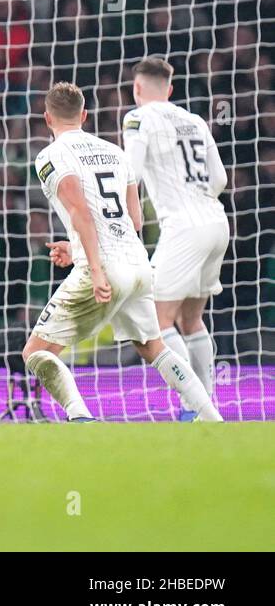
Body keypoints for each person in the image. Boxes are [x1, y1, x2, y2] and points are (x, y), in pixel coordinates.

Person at [22, 83, 221, 422]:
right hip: (138, 264)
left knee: (35, 352)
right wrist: (77, 246)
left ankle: (80, 418)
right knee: (152, 346)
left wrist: (95, 268)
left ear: (46, 117)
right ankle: (210, 415)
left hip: (103, 268)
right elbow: (135, 219)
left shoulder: (51, 156)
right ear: (84, 115)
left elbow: (81, 212)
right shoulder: (115, 152)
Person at [121, 56, 229, 419]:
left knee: (156, 319)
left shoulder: (137, 118)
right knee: (191, 320)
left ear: (137, 88)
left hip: (183, 227)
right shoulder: (195, 120)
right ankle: (203, 405)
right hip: (216, 223)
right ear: (170, 89)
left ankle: (193, 405)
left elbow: (130, 173)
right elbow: (220, 181)